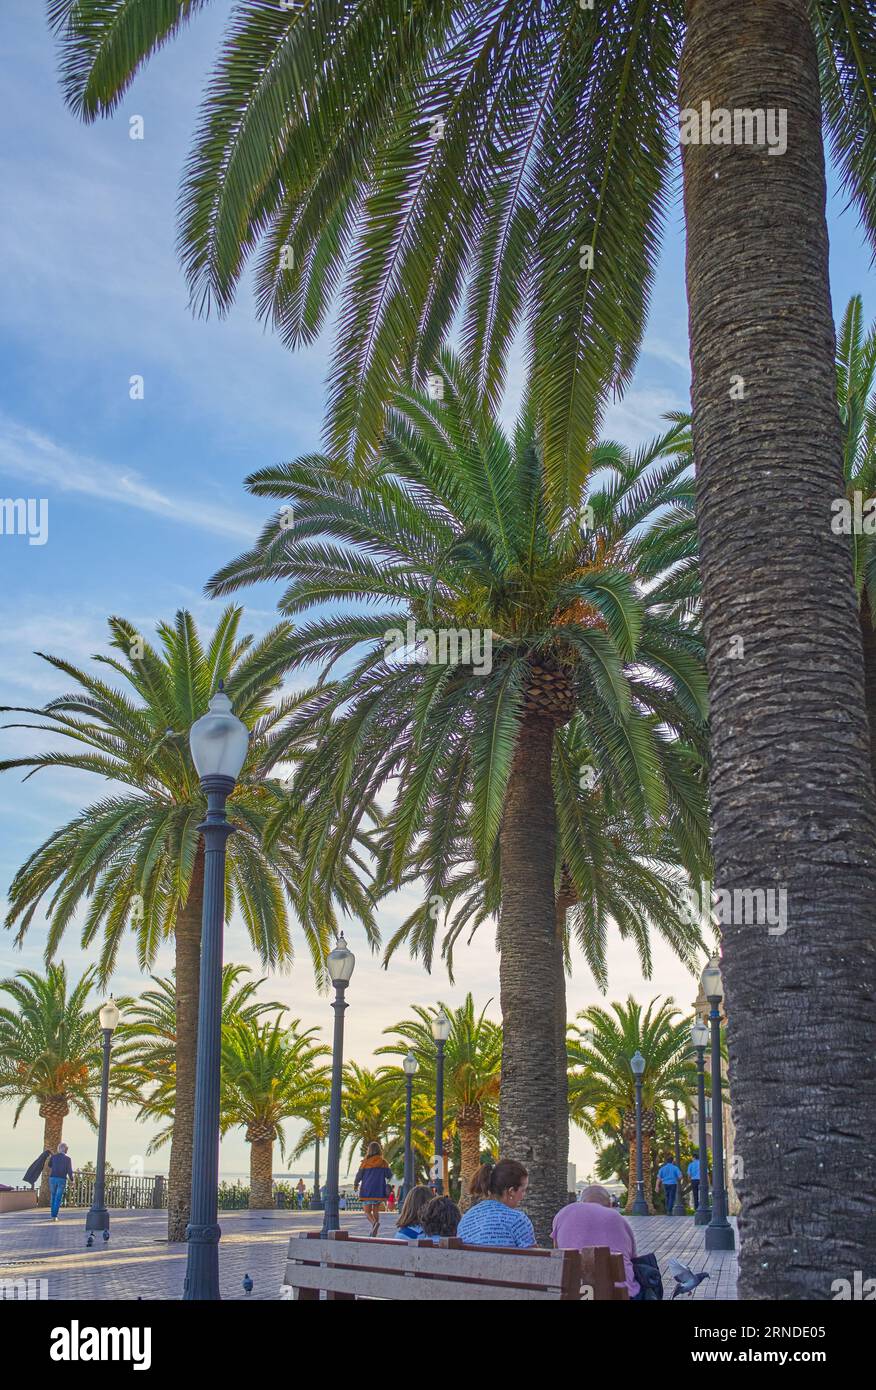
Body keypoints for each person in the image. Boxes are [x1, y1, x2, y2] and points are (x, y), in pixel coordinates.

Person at [551, 1185, 640, 1298]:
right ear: (610, 1205)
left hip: (575, 1293)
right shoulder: (617, 1218)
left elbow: (557, 1252)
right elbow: (633, 1258)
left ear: (582, 1201)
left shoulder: (563, 1213)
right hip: (619, 1294)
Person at [456, 1160, 535, 1248]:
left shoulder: (467, 1218)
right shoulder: (518, 1220)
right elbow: (535, 1259)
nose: (523, 1195)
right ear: (511, 1191)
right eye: (523, 1190)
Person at [354, 1141, 393, 1237]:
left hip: (367, 1190)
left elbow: (359, 1175)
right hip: (379, 1189)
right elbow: (389, 1175)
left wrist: (355, 1184)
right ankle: (374, 1231)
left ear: (369, 1150)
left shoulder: (365, 1163)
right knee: (376, 1210)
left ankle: (374, 1224)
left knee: (367, 1211)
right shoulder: (383, 1163)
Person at [48, 1143, 73, 1221]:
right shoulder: (68, 1159)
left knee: (53, 1196)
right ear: (65, 1149)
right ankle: (54, 1216)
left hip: (52, 1178)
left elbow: (49, 1165)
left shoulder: (53, 1157)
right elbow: (69, 1171)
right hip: (61, 1179)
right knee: (58, 1198)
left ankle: (52, 1215)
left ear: (59, 1148)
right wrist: (72, 1180)